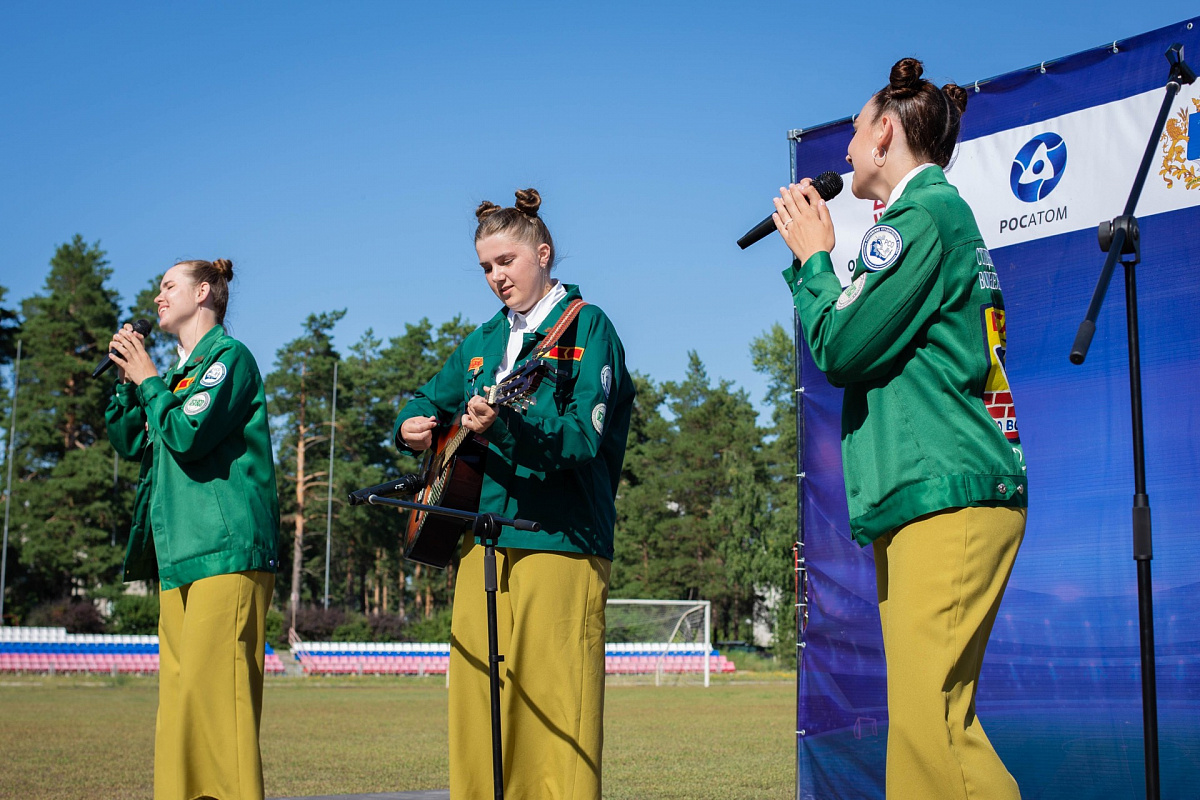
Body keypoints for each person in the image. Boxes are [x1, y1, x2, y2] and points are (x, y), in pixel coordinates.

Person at [771, 58, 1028, 799]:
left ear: (885, 133)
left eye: (854, 132)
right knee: (932, 725)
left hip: (946, 495)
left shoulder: (922, 216)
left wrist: (815, 259)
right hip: (929, 497)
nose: (846, 151)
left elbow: (843, 347)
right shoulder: (924, 220)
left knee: (933, 734)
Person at [393, 188, 634, 799]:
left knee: (556, 715)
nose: (496, 277)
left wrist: (505, 426)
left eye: (506, 262)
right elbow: (428, 397)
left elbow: (582, 438)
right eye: (485, 268)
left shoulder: (588, 327)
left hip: (561, 541)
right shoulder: (480, 343)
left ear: (543, 253)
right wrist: (412, 425)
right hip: (481, 544)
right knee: (476, 708)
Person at [105, 258, 280, 800]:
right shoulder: (176, 375)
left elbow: (186, 433)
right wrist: (128, 384)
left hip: (225, 554)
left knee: (218, 712)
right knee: (180, 712)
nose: (157, 297)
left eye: (168, 286)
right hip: (179, 555)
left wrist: (150, 380)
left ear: (204, 292)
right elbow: (135, 440)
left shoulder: (228, 358)